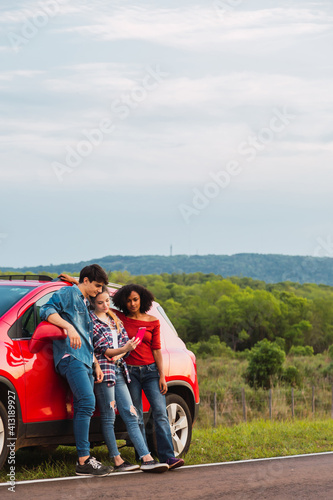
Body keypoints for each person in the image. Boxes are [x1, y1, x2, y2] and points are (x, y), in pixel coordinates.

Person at [39, 264, 112, 477]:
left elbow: (86, 336)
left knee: (83, 405)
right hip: (70, 357)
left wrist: (96, 364)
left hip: (85, 359)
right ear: (86, 280)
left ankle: (84, 459)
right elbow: (46, 310)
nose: (99, 291)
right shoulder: (69, 292)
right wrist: (68, 327)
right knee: (87, 402)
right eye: (97, 286)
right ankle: (83, 459)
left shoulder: (82, 299)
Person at [90, 286, 169, 473]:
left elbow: (128, 342)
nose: (104, 305)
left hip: (121, 370)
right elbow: (103, 350)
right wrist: (125, 350)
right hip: (106, 372)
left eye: (107, 301)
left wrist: (124, 351)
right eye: (100, 302)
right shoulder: (92, 320)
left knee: (134, 413)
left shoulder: (114, 318)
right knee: (111, 416)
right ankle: (118, 460)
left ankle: (148, 458)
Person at [112, 284, 185, 470]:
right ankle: (144, 455)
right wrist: (75, 282)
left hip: (152, 372)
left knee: (160, 413)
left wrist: (162, 376)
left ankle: (168, 457)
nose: (132, 303)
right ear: (123, 302)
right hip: (130, 373)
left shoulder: (153, 321)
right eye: (128, 300)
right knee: (136, 414)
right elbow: (99, 300)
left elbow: (157, 350)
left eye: (135, 299)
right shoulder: (120, 318)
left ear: (142, 299)